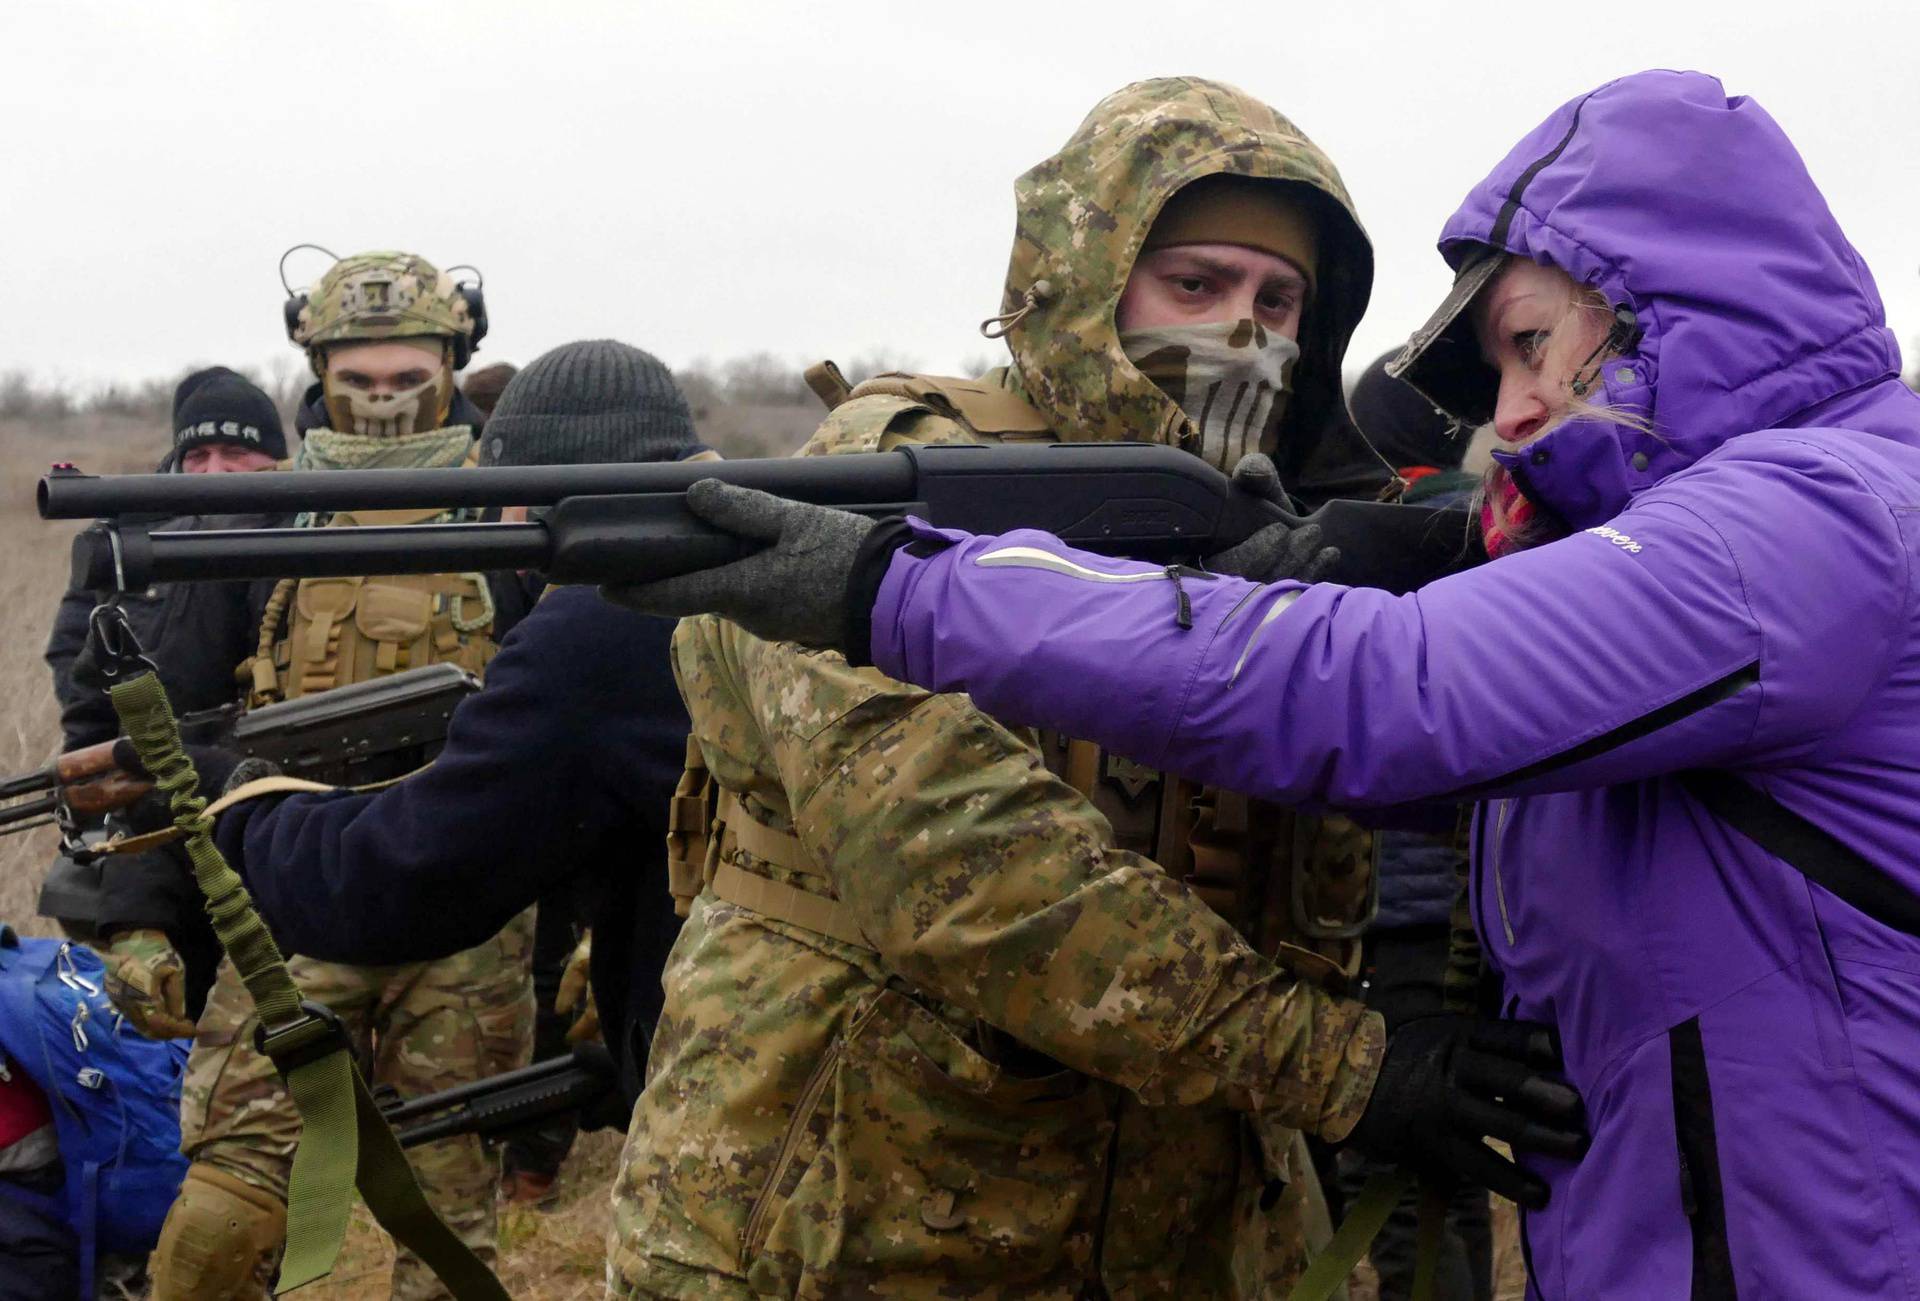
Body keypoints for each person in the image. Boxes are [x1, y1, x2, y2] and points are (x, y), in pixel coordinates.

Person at [614, 70, 1920, 1297]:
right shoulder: (897, 482)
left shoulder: (1795, 520)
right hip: (855, 1203)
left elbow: (1389, 732)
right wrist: (1346, 1064)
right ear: (1078, 285)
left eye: (1281, 302)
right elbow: (966, 867)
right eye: (1191, 279)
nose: (1242, 331)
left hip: (1188, 1220)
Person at [149, 249, 537, 1301]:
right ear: (316, 366)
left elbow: (581, 714)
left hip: (468, 917)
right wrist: (138, 913)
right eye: (356, 379)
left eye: (405, 376)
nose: (381, 402)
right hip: (293, 898)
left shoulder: (520, 509)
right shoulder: (263, 520)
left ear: (455, 360)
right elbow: (168, 727)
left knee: (450, 1230)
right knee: (224, 1215)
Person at [209, 338, 701, 1117]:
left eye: (505, 491)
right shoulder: (752, 573)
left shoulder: (605, 619)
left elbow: (403, 877)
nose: (499, 519)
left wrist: (243, 812)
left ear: (543, 492)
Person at [39, 366, 290, 1035]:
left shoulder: (307, 535)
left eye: (238, 453)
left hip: (277, 840)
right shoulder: (142, 540)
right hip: (163, 835)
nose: (216, 471)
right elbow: (83, 677)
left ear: (278, 458)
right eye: (199, 455)